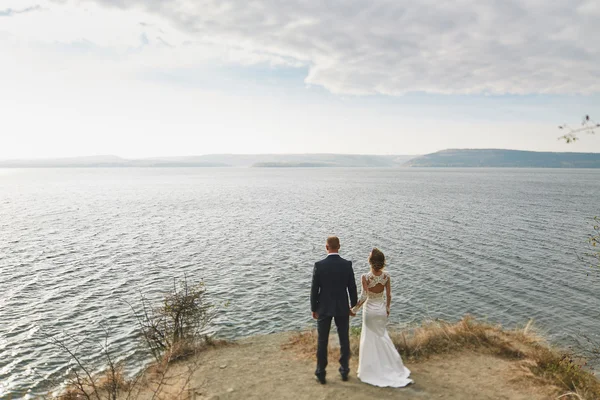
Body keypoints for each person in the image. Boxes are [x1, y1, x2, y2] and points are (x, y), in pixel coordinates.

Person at [350, 248, 413, 387]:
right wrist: (388, 309)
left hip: (370, 312)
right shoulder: (387, 276)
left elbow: (364, 296)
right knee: (382, 337)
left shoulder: (365, 277)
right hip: (381, 310)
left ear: (370, 261)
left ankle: (370, 369)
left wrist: (354, 309)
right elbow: (389, 295)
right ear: (382, 262)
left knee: (369, 339)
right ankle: (390, 365)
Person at [310, 236, 358, 384]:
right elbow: (352, 288)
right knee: (344, 339)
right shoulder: (347, 265)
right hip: (342, 307)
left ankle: (321, 373)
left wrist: (313, 308)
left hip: (323, 307)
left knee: (322, 340)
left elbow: (314, 290)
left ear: (326, 247)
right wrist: (353, 306)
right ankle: (344, 371)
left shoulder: (319, 265)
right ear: (339, 246)